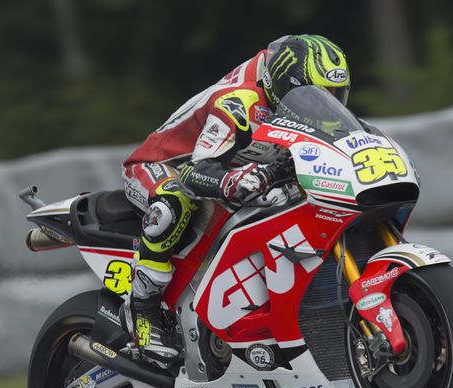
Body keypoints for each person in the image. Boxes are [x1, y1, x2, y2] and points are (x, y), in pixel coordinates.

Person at [121, 34, 351, 363]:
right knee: (173, 201)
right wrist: (235, 179)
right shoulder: (239, 101)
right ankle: (141, 305)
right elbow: (195, 171)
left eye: (333, 96)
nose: (324, 105)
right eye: (315, 97)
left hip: (230, 167)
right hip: (159, 167)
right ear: (286, 86)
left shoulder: (296, 104)